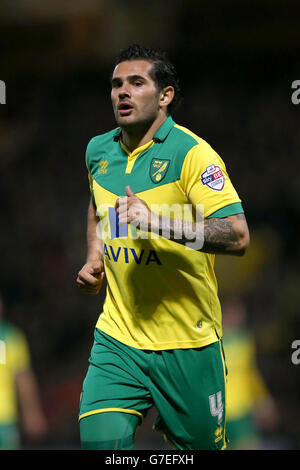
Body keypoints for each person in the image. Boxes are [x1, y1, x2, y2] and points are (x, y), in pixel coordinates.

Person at [76, 43, 250, 450]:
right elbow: (96, 203)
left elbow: (238, 235)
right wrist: (93, 255)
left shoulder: (192, 154)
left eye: (137, 83)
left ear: (164, 95)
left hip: (188, 343)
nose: (123, 92)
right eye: (117, 84)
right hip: (119, 337)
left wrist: (157, 222)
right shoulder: (98, 151)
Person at [222, 298, 279, 449]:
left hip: (243, 412)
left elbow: (250, 373)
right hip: (216, 415)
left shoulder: (244, 340)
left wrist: (262, 399)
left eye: (240, 312)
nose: (237, 316)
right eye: (232, 312)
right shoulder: (210, 344)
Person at [0, 295, 48, 449]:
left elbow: (22, 376)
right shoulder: (10, 338)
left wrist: (32, 412)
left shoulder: (10, 337)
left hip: (4, 420)